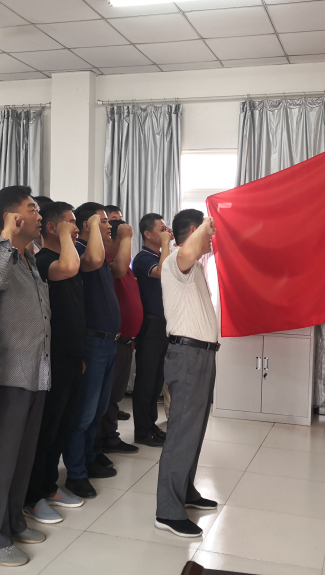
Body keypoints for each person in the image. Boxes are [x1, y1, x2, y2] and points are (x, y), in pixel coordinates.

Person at [0, 186, 52, 568]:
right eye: (32, 208)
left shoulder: (30, 260)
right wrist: (6, 236)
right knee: (1, 459)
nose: (40, 215)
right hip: (6, 373)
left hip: (36, 372)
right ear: (12, 216)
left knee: (22, 456)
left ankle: (13, 521)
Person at [155, 209, 220, 538]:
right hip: (188, 356)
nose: (213, 238)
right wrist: (208, 223)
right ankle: (167, 511)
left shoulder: (193, 267)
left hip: (202, 356)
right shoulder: (176, 262)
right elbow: (188, 251)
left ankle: (185, 490)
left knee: (194, 431)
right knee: (182, 432)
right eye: (209, 232)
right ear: (194, 230)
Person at [23, 201, 87, 525]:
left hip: (71, 358)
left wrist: (80, 356)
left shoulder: (65, 257)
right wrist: (64, 235)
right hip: (52, 359)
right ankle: (32, 496)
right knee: (46, 431)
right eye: (70, 222)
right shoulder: (45, 260)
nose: (76, 228)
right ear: (52, 227)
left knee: (62, 427)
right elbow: (71, 266)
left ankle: (49, 487)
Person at [62, 202, 121, 500]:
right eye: (103, 221)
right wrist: (95, 228)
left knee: (97, 411)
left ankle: (88, 459)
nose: (109, 225)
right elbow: (94, 261)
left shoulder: (98, 250)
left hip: (108, 343)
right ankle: (76, 473)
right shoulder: (80, 250)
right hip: (92, 343)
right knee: (83, 414)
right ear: (87, 225)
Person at [95, 219, 142, 456]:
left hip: (126, 341)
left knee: (115, 396)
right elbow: (120, 268)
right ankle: (101, 442)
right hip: (113, 341)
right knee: (106, 397)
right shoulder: (109, 263)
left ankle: (110, 436)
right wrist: (126, 236)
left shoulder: (122, 264)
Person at [132, 213, 173, 447]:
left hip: (163, 323)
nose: (166, 232)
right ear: (148, 234)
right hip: (151, 323)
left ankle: (151, 425)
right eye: (162, 229)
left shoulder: (160, 255)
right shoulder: (143, 258)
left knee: (157, 379)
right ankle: (142, 430)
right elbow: (162, 272)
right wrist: (166, 244)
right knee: (146, 380)